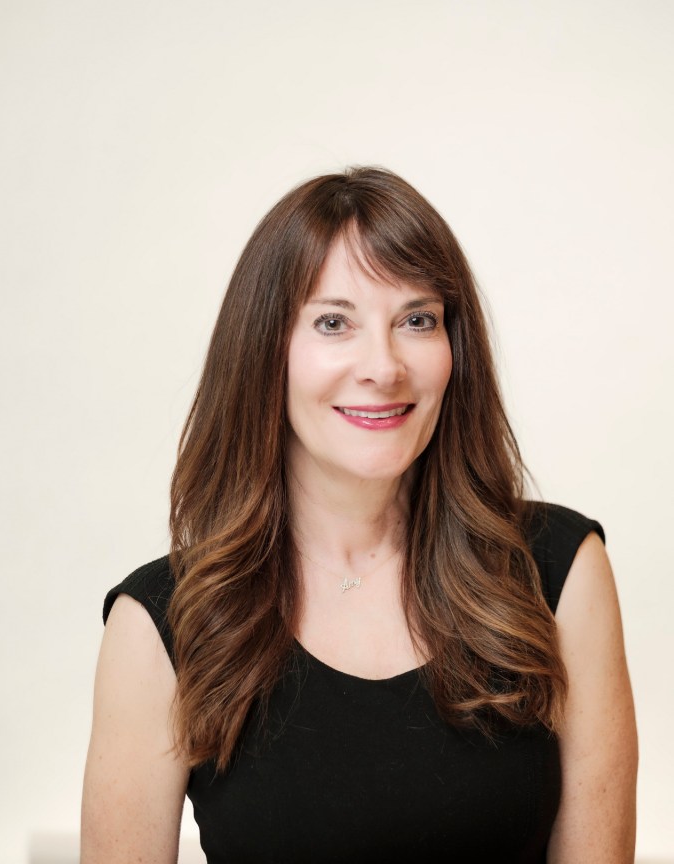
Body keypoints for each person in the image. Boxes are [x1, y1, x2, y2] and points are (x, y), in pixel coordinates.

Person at [81, 166, 638, 863]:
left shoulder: (557, 570)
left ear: (453, 351)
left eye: (416, 320)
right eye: (333, 322)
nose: (383, 365)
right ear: (264, 352)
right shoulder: (162, 622)